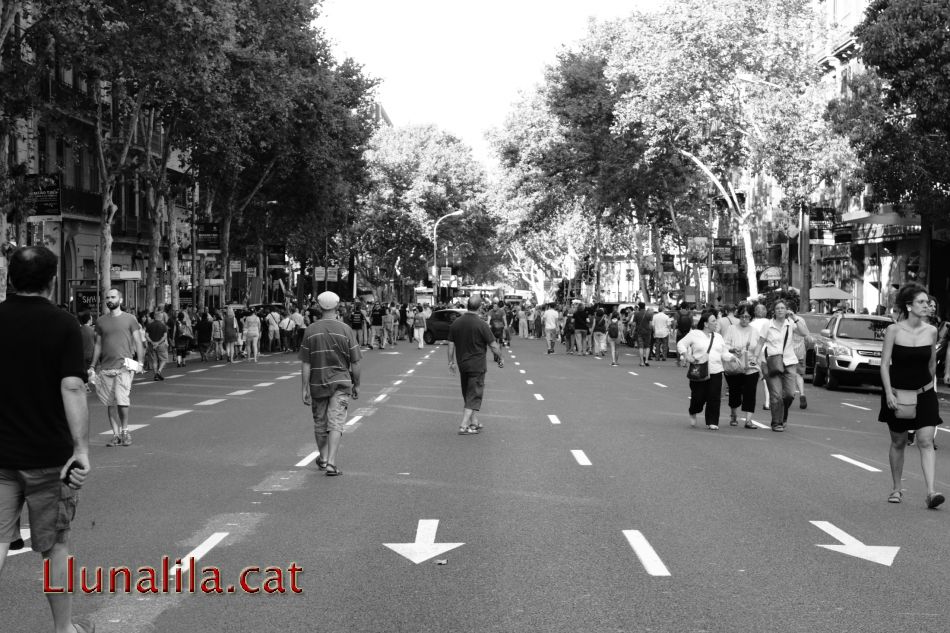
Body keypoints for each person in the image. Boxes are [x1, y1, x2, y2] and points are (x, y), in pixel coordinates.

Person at [0, 246, 94, 633]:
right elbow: (72, 387)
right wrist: (82, 450)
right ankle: (64, 630)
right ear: (53, 282)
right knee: (56, 546)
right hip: (51, 458)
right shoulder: (64, 325)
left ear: (9, 280)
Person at [880, 283, 943, 507]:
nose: (927, 306)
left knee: (926, 440)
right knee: (898, 441)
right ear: (909, 305)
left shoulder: (932, 331)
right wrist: (889, 393)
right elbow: (885, 365)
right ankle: (897, 489)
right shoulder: (894, 330)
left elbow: (931, 364)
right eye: (921, 302)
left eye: (927, 302)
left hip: (925, 393)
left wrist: (930, 388)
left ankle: (931, 493)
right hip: (898, 394)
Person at [299, 292, 361, 477]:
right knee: (336, 423)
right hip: (341, 382)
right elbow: (355, 362)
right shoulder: (346, 330)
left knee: (320, 423)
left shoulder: (310, 330)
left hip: (317, 383)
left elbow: (306, 363)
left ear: (319, 307)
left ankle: (324, 457)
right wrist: (356, 384)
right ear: (337, 306)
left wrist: (304, 388)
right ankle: (331, 463)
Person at [89, 288, 145, 447]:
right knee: (110, 403)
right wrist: (92, 366)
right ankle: (115, 434)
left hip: (124, 367)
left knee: (122, 401)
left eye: (113, 297)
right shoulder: (100, 321)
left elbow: (138, 342)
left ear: (120, 300)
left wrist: (140, 363)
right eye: (107, 297)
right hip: (106, 368)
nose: (110, 300)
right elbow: (98, 345)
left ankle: (125, 432)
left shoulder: (130, 319)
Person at [448, 295, 503, 435]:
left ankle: (474, 422)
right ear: (479, 308)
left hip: (462, 364)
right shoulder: (481, 324)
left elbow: (450, 345)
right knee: (474, 394)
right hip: (477, 365)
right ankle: (463, 425)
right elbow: (493, 345)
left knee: (468, 393)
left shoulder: (456, 323)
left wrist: (451, 362)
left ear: (467, 305)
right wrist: (500, 357)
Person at [753, 300, 809, 432]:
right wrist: (755, 358)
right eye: (777, 308)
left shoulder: (790, 324)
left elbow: (805, 332)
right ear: (774, 311)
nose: (780, 310)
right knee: (776, 394)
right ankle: (776, 422)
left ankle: (783, 414)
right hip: (771, 362)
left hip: (789, 362)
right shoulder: (768, 324)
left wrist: (795, 318)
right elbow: (761, 342)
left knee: (789, 394)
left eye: (783, 308)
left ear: (786, 310)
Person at [678, 309, 727, 430]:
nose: (716, 323)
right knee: (698, 397)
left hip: (716, 371)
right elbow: (681, 344)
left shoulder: (719, 337)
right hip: (699, 370)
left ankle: (712, 421)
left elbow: (724, 353)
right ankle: (693, 410)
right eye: (713, 321)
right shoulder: (694, 334)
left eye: (716, 321)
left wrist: (732, 358)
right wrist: (686, 355)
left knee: (714, 397)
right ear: (705, 323)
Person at [723, 304, 760, 429]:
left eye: (748, 317)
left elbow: (758, 348)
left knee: (750, 392)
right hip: (735, 365)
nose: (745, 319)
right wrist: (732, 350)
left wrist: (757, 358)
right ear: (739, 316)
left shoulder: (754, 331)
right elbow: (725, 345)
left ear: (751, 318)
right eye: (743, 316)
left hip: (751, 366)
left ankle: (748, 420)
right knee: (735, 392)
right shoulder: (732, 329)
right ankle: (733, 414)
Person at [145, 311, 169, 380]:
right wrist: (158, 343)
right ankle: (159, 371)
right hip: (161, 345)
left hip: (151, 345)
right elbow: (165, 336)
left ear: (155, 316)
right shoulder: (163, 325)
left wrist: (152, 342)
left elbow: (146, 335)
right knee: (164, 359)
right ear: (161, 317)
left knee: (154, 360)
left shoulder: (149, 325)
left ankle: (155, 374)